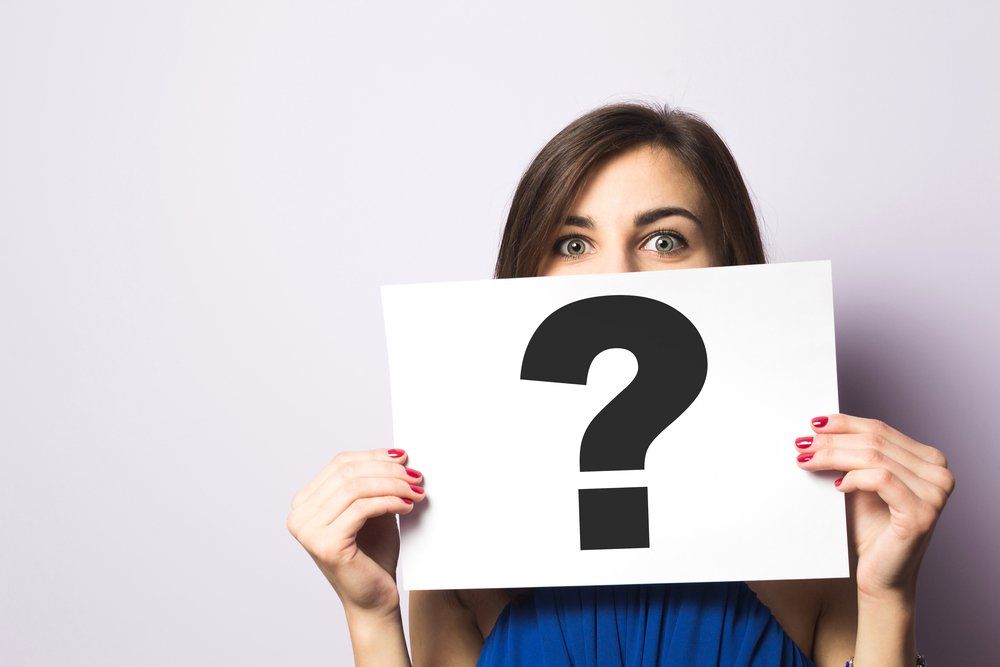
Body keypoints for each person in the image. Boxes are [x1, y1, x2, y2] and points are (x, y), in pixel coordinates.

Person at [285, 102, 954, 666]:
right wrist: (370, 613)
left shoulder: (809, 536)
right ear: (528, 273)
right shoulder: (469, 549)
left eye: (665, 240)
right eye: (573, 244)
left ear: (732, 265)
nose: (618, 276)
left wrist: (889, 596)